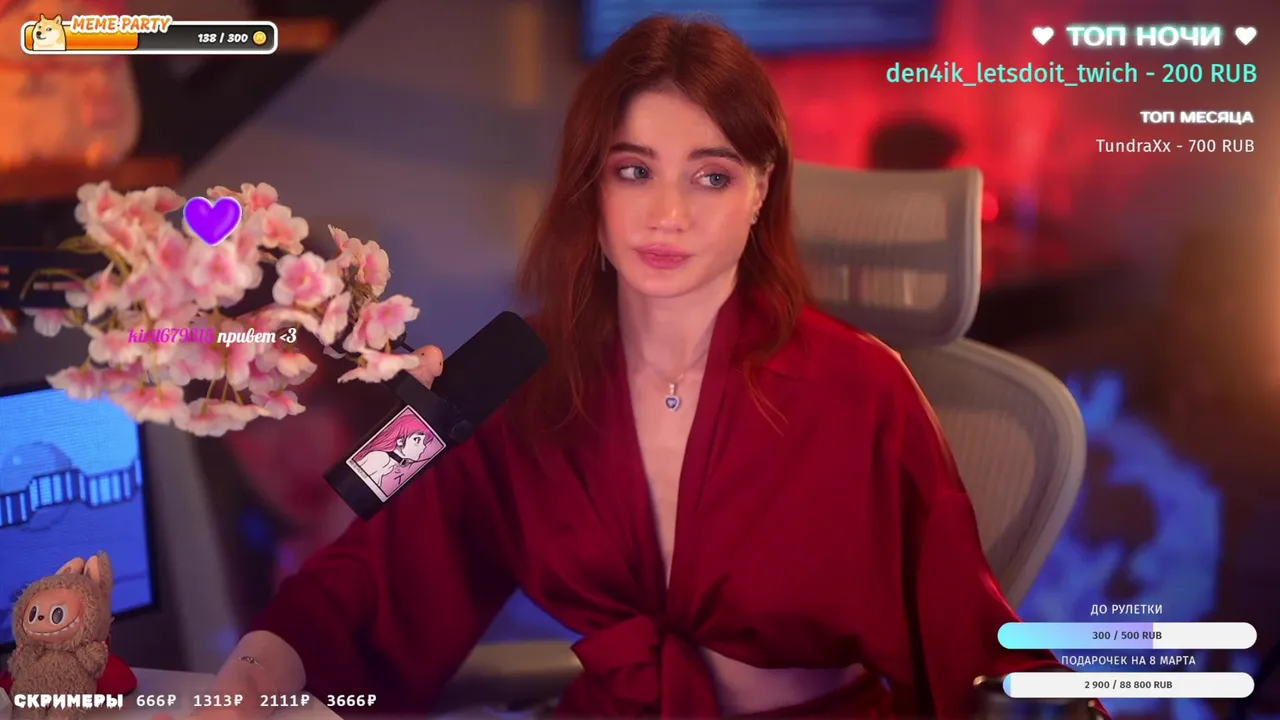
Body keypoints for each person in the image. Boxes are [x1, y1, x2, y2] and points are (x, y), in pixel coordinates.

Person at [192, 16, 1104, 718]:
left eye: (711, 176)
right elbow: (384, 565)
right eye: (634, 171)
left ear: (761, 191)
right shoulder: (512, 369)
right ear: (591, 187)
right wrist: (258, 668)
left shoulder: (862, 389)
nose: (668, 214)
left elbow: (976, 642)